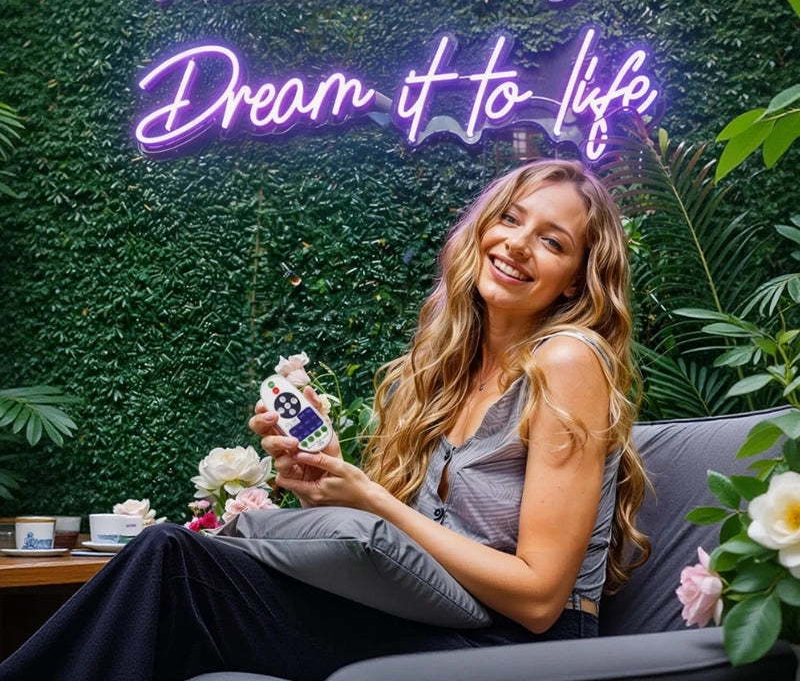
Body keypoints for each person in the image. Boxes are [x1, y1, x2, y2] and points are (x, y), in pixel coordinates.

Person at [0, 159, 649, 681]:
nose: (518, 244)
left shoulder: (568, 360)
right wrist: (329, 480)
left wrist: (368, 499)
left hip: (517, 651)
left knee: (175, 570)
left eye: (552, 241)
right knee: (172, 558)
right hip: (437, 620)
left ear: (576, 280)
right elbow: (406, 554)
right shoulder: (450, 372)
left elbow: (539, 599)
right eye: (509, 218)